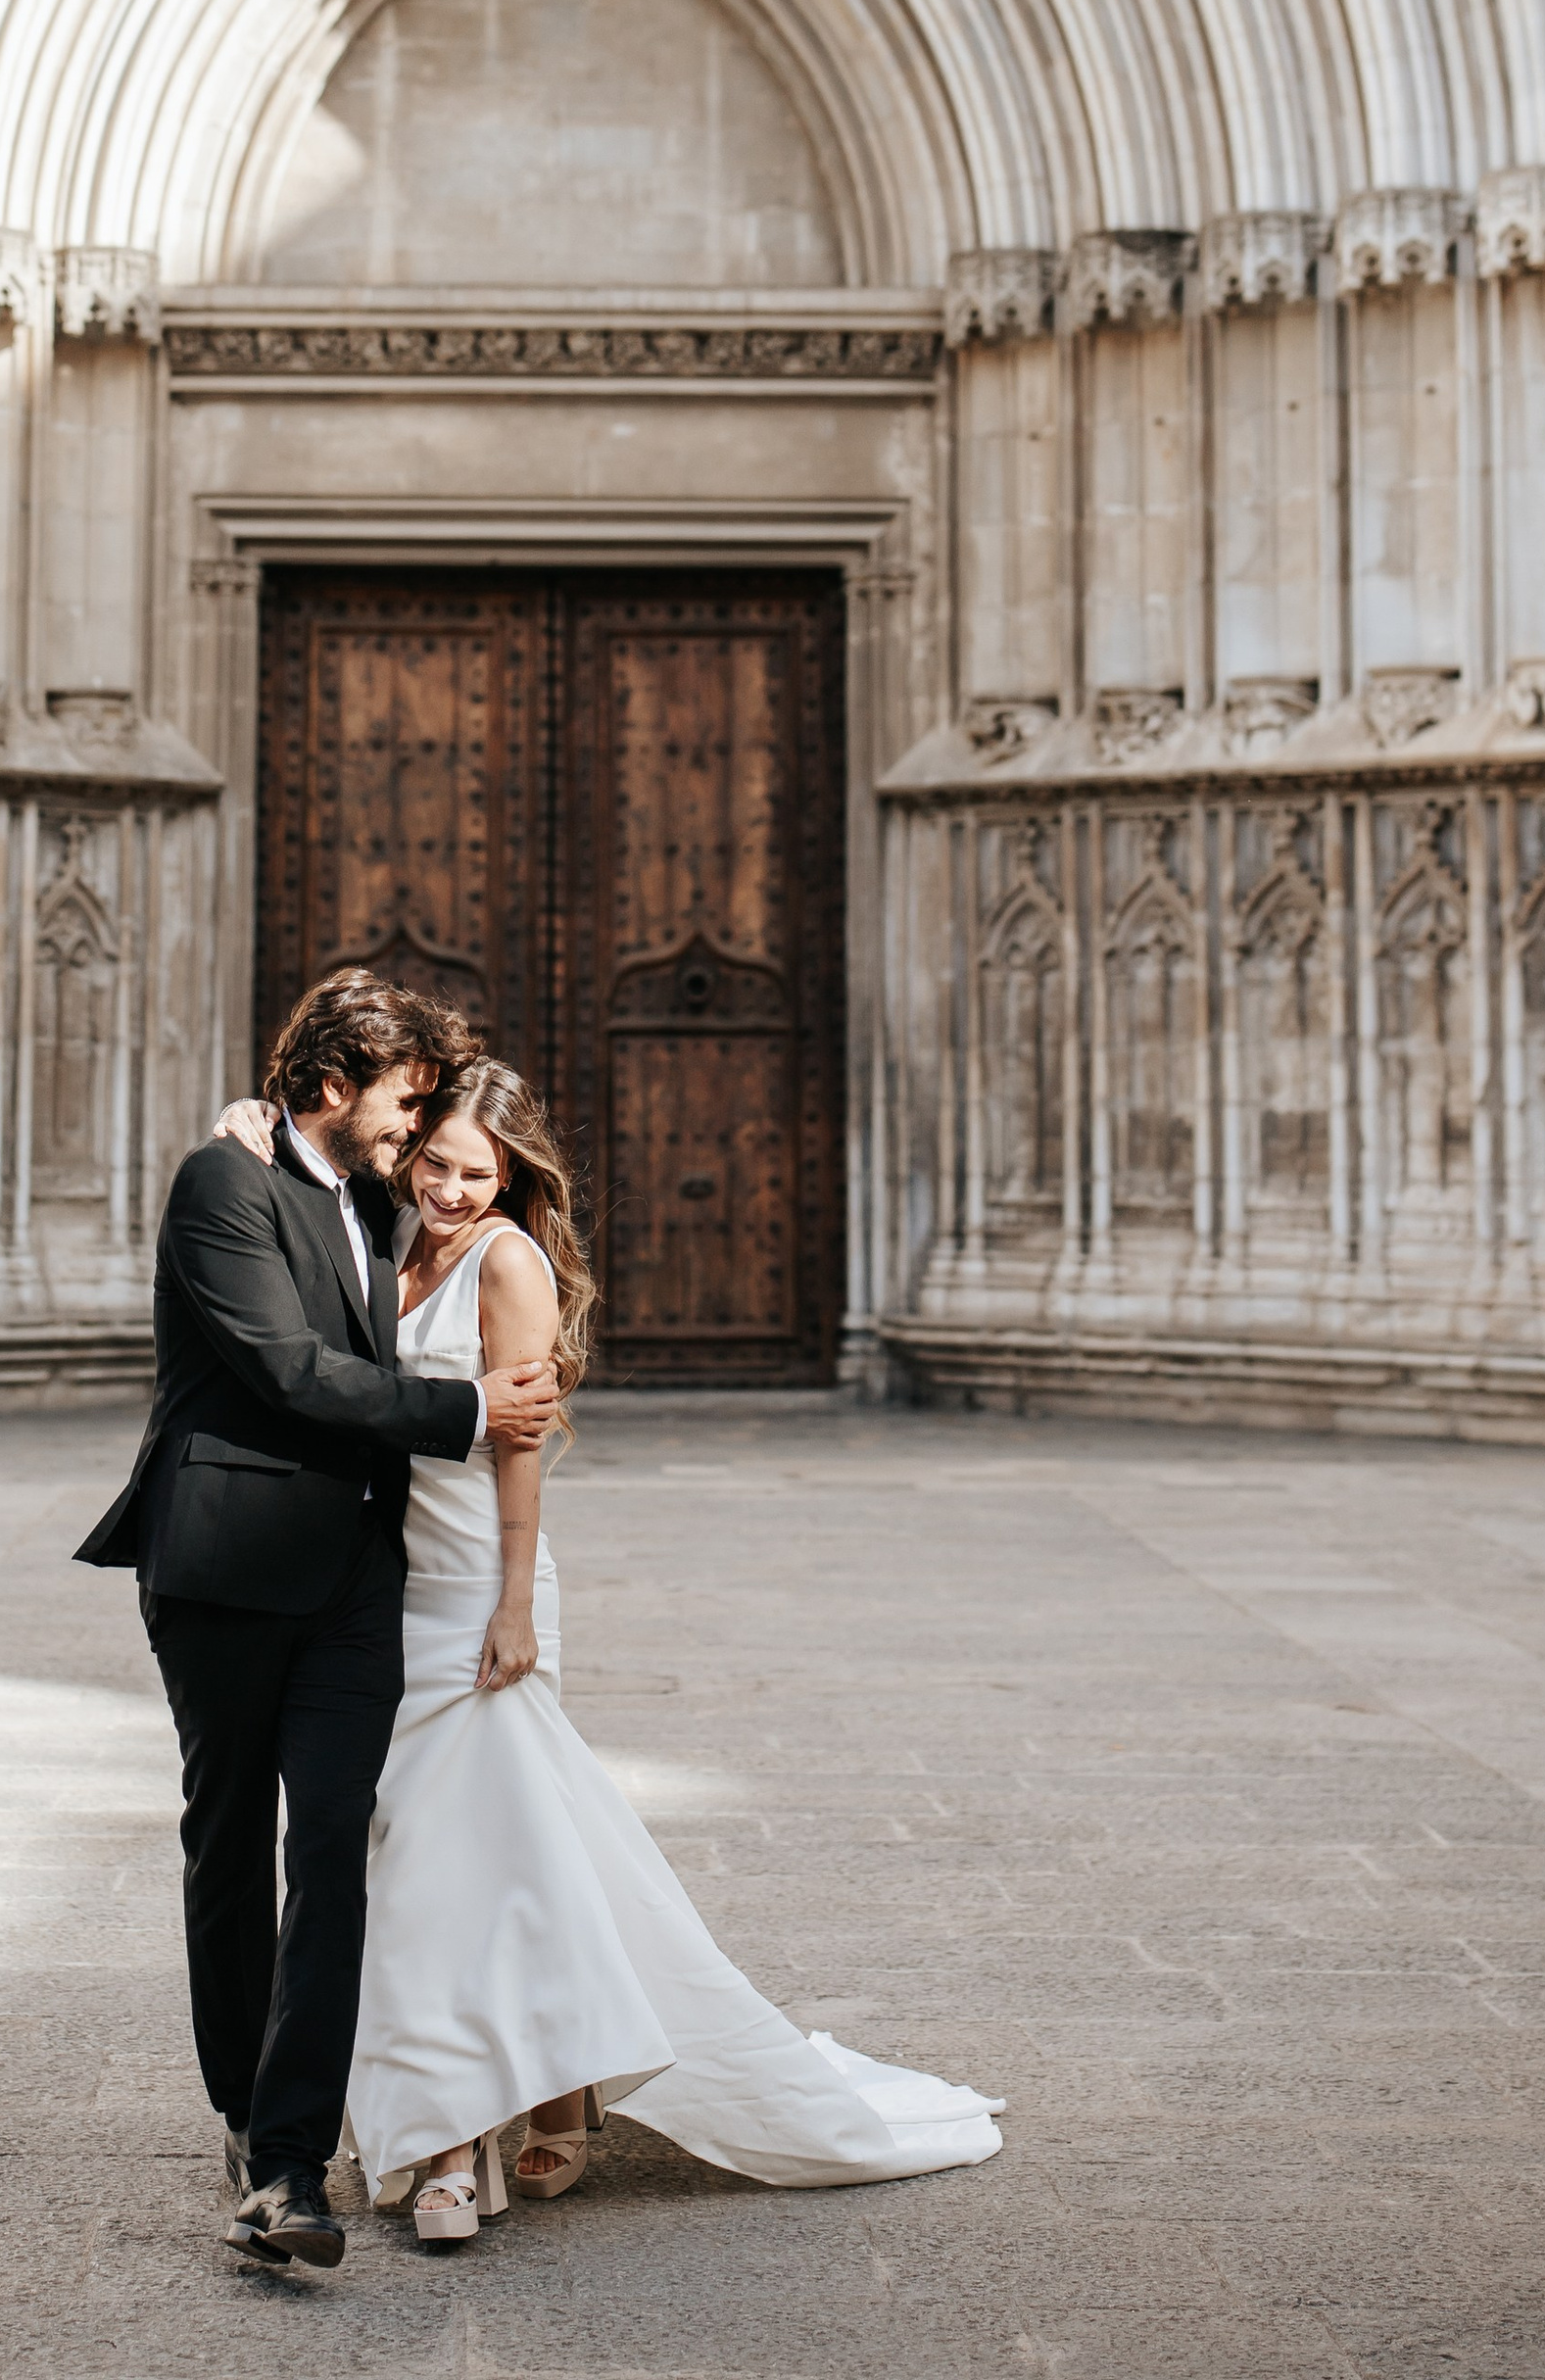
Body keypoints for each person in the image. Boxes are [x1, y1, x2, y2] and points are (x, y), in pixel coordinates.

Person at [211, 1059, 1004, 2236]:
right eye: (435, 1163)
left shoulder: (508, 1260)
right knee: (466, 1858)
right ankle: (539, 2100)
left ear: (513, 1172)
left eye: (480, 1172)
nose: (452, 1188)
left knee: (464, 1862)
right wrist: (249, 1130)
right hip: (392, 1590)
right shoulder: (385, 1234)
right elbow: (313, 1210)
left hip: (481, 1584)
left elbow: (519, 1453)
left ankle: (454, 2143)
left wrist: (516, 1601)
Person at [75, 971, 562, 2271]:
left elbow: (459, 1205)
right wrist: (466, 1413)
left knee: (337, 1844)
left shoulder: (370, 1192)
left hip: (354, 1581)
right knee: (231, 1840)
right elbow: (290, 1369)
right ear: (334, 1089)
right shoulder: (221, 1185)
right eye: (405, 1108)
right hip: (226, 1567)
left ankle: (292, 2162)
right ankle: (245, 2112)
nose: (418, 1139)